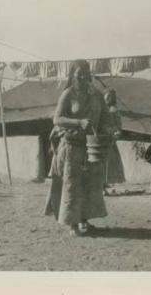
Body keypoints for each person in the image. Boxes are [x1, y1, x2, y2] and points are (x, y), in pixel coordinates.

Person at [44, 60, 113, 236]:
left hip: (90, 148)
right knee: (72, 186)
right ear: (72, 75)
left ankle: (84, 220)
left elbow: (105, 117)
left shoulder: (96, 95)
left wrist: (107, 130)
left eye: (85, 73)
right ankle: (72, 224)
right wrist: (78, 122)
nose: (82, 77)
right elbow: (57, 119)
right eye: (78, 74)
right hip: (71, 148)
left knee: (89, 185)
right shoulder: (68, 94)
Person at [103, 89, 126, 189]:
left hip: (109, 139)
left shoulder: (114, 110)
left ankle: (105, 182)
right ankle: (100, 183)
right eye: (107, 96)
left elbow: (118, 125)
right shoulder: (99, 109)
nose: (108, 99)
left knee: (109, 162)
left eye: (110, 97)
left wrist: (116, 133)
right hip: (99, 138)